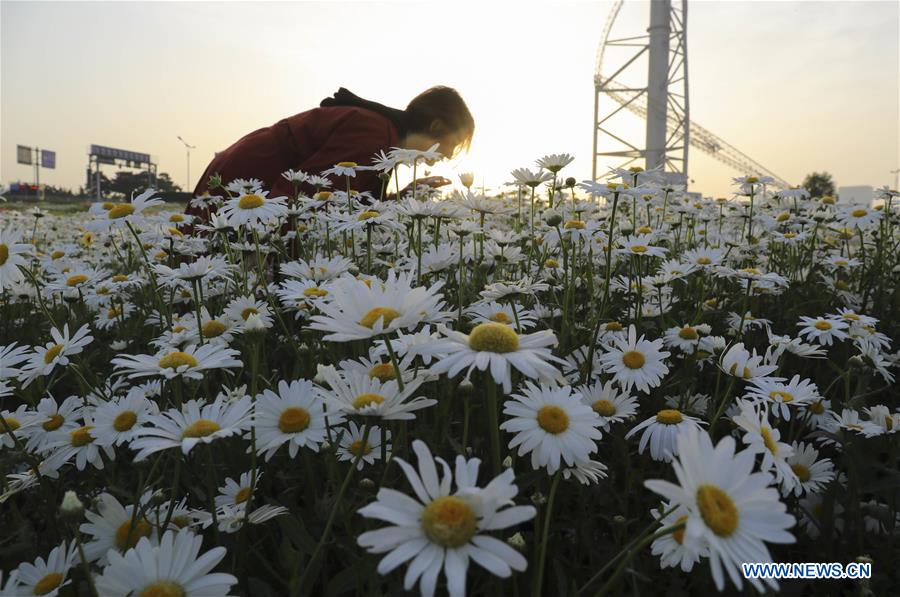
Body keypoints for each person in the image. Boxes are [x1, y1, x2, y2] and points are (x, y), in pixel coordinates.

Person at [185, 86, 475, 223]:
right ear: (435, 125)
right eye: (454, 143)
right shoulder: (372, 132)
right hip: (246, 183)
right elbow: (306, 198)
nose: (448, 156)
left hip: (247, 177)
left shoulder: (383, 134)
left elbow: (343, 202)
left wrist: (402, 197)